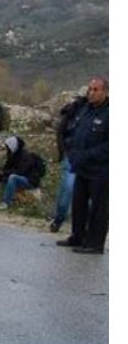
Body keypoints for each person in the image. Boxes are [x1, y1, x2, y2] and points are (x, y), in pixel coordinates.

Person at [57, 77, 109, 254]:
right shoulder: (86, 109)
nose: (92, 93)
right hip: (81, 167)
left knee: (99, 208)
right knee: (78, 204)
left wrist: (88, 155)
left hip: (100, 170)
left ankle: (95, 243)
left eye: (96, 90)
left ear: (105, 92)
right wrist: (71, 150)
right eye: (90, 89)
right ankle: (78, 236)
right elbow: (74, 130)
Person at [50, 94, 87, 232]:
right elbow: (61, 131)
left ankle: (82, 227)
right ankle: (59, 220)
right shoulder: (76, 110)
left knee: (86, 192)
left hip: (89, 158)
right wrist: (63, 152)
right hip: (72, 155)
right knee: (68, 188)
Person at [0, 136, 42, 210]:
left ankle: (6, 203)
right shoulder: (13, 155)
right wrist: (1, 172)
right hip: (17, 176)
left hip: (29, 180)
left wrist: (4, 173)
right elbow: (7, 168)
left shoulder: (26, 156)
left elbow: (20, 171)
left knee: (13, 177)